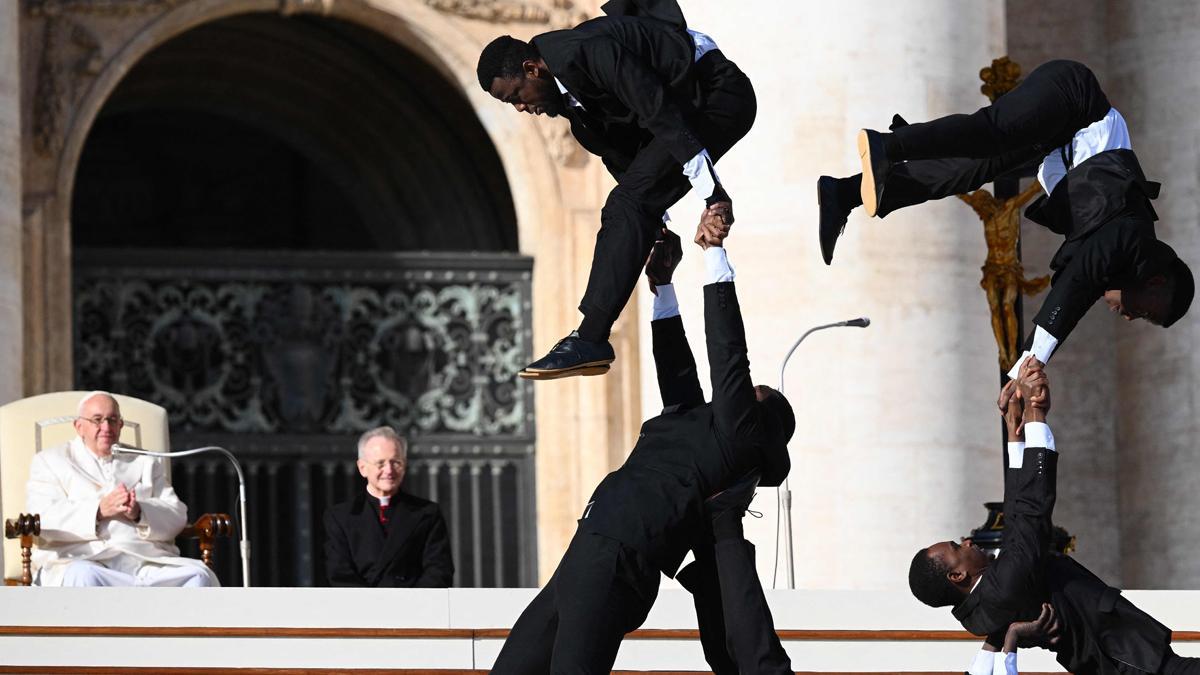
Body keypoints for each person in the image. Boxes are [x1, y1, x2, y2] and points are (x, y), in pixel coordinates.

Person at [490, 209, 794, 673]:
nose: (748, 390)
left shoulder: (737, 438)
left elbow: (728, 352)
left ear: (761, 422)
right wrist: (663, 284)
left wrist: (715, 256)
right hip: (586, 550)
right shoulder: (693, 422)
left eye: (758, 394)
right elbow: (676, 367)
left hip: (617, 560)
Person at [817, 60, 1192, 378]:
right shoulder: (1133, 236)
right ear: (1155, 281)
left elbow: (1073, 290)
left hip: (1052, 144)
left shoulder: (1110, 261)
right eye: (1144, 312)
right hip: (1073, 100)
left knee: (962, 172)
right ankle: (888, 145)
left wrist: (1022, 368)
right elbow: (1076, 288)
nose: (1129, 318)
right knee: (991, 132)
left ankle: (844, 193)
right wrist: (1032, 360)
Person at [477, 0, 756, 380]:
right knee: (630, 202)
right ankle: (590, 338)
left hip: (716, 94)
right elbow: (630, 165)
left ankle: (591, 337)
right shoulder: (578, 113)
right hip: (685, 112)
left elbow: (659, 112)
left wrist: (713, 195)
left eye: (516, 96)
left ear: (532, 68)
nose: (522, 108)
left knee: (625, 204)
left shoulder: (589, 52)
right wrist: (655, 230)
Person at [908, 362, 1199, 675]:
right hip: (1130, 660)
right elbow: (1031, 513)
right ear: (957, 576)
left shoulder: (980, 608)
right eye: (956, 546)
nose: (966, 540)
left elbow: (1017, 519)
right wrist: (1036, 419)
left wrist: (1015, 434)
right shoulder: (1002, 588)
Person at [24, 391, 219, 587]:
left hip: (145, 562)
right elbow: (43, 517)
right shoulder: (51, 461)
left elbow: (177, 515)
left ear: (121, 425)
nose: (106, 427)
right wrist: (99, 510)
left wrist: (139, 512)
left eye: (112, 420)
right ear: (79, 426)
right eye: (97, 420)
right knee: (83, 576)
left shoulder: (145, 460)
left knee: (198, 576)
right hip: (87, 559)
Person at [323, 426, 453, 587]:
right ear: (363, 468)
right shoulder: (340, 517)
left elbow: (438, 571)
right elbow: (339, 574)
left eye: (395, 462)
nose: (389, 470)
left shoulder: (427, 514)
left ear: (404, 465)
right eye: (380, 463)